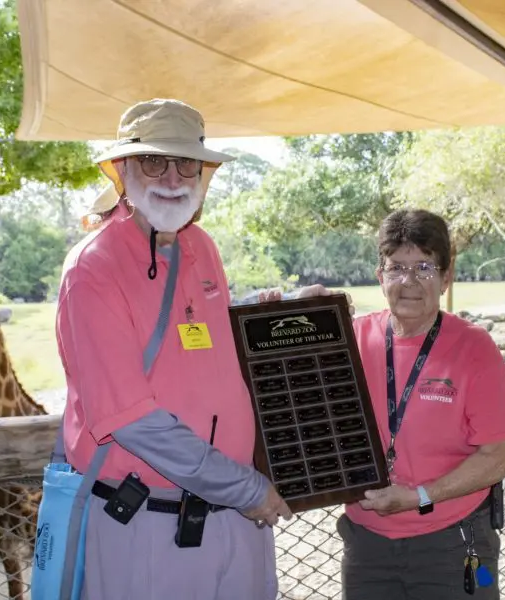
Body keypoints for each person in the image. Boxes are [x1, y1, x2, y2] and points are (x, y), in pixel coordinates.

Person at [55, 98, 327, 599]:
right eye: (154, 161)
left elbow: (200, 336)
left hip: (237, 519)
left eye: (187, 163)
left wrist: (293, 314)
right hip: (148, 523)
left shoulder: (200, 246)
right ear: (122, 171)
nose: (173, 177)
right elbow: (130, 419)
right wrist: (246, 489)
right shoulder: (93, 269)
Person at [335, 209, 505, 599]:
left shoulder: (473, 348)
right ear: (380, 276)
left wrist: (417, 496)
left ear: (446, 278)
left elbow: (497, 459)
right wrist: (292, 305)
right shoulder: (350, 339)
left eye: (424, 267)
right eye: (396, 268)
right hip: (367, 545)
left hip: (453, 543)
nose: (408, 281)